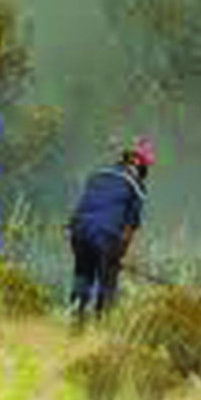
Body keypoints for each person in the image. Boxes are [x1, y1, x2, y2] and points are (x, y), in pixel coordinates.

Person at [67, 137, 155, 324]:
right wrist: (119, 255)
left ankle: (75, 322)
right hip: (105, 234)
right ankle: (102, 324)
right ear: (138, 163)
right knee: (107, 281)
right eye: (146, 166)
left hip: (79, 230)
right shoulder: (136, 185)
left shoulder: (97, 174)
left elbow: (86, 204)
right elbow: (130, 227)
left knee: (83, 274)